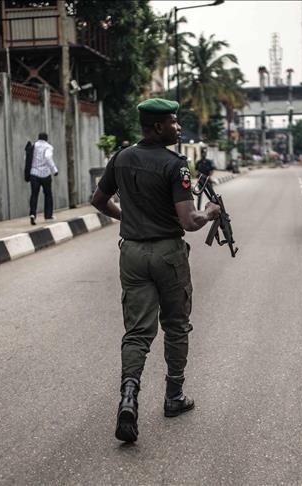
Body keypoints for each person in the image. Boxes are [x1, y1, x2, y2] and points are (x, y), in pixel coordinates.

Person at [91, 98, 222, 443]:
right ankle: (173, 396)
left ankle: (129, 397)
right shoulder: (175, 164)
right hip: (167, 253)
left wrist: (130, 219)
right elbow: (189, 221)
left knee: (136, 332)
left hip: (131, 253)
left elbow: (98, 201)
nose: (178, 128)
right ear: (157, 127)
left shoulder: (119, 158)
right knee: (176, 325)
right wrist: (209, 211)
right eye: (173, 122)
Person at [29, 132, 58, 224]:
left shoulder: (33, 146)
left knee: (34, 194)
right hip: (45, 174)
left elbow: (27, 158)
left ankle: (32, 214)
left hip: (34, 174)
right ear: (46, 138)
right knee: (48, 194)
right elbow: (48, 157)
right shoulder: (48, 147)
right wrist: (54, 170)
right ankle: (48, 215)